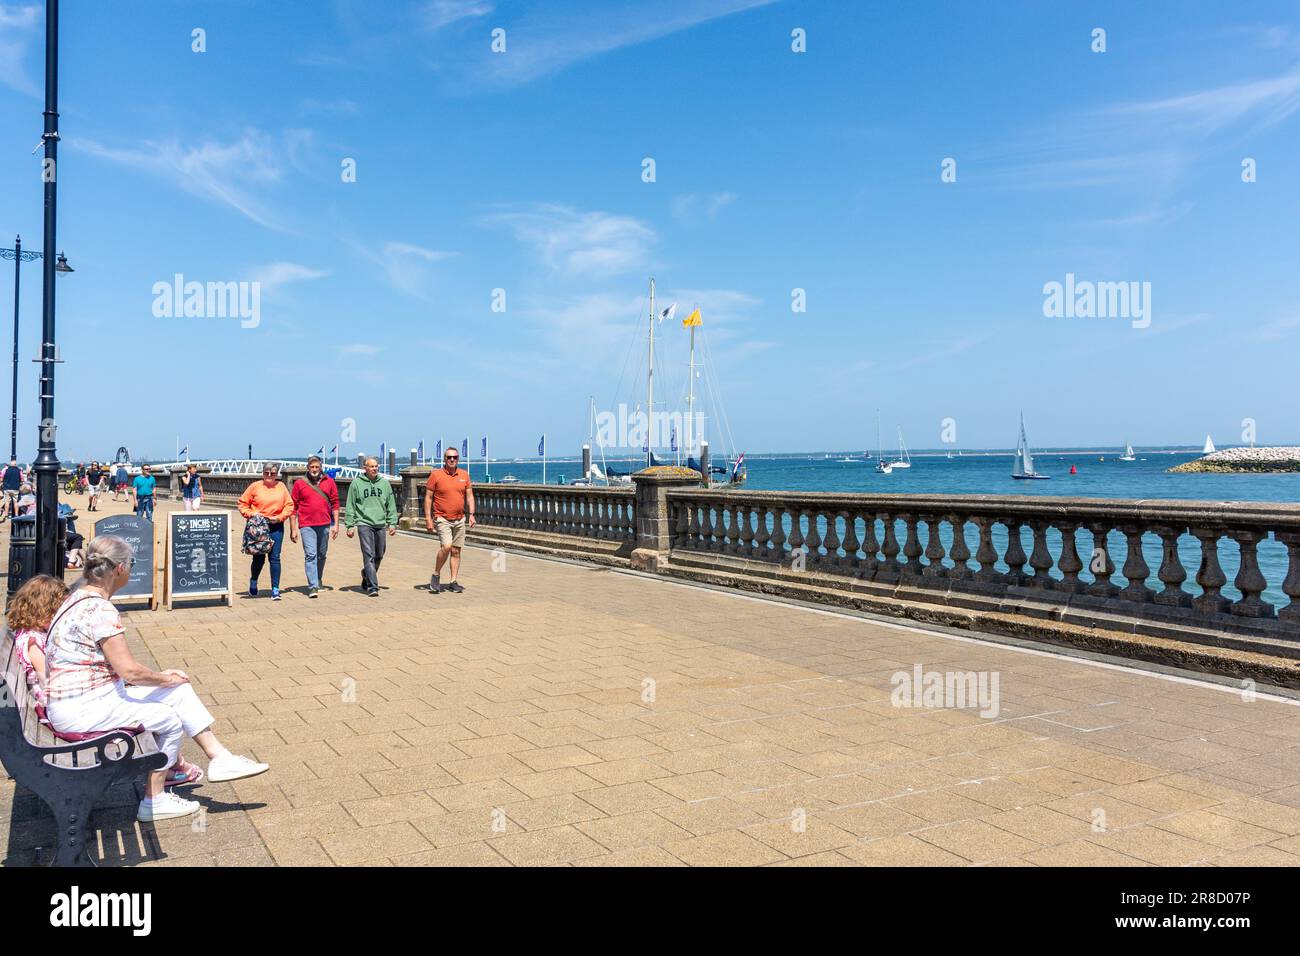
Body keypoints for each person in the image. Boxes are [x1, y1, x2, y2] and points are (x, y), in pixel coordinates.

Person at [44, 536, 269, 821]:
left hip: (80, 698)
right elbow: (130, 672)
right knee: (168, 719)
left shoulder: (77, 595)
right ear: (121, 569)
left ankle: (220, 759)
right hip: (82, 708)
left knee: (179, 691)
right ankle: (154, 800)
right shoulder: (100, 609)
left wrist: (167, 680)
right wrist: (164, 678)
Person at [6, 573, 70, 706]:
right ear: (43, 611)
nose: (61, 616)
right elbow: (47, 680)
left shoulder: (36, 632)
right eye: (57, 611)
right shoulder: (33, 643)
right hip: (57, 702)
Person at [424, 446, 476, 594]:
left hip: (460, 519)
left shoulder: (464, 475)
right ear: (444, 459)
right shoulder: (436, 475)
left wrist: (471, 514)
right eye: (449, 457)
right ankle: (436, 574)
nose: (452, 460)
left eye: (455, 457)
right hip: (442, 518)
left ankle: (453, 581)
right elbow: (428, 498)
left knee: (456, 551)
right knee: (446, 547)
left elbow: (470, 496)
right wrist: (428, 519)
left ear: (458, 459)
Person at [238, 464, 293, 600]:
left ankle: (275, 589)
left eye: (272, 473)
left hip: (276, 525)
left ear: (277, 474)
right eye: (267, 472)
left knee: (275, 557)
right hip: (258, 527)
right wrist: (252, 514)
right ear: (263, 473)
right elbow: (242, 504)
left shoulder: (281, 487)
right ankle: (254, 581)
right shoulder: (255, 486)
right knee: (259, 557)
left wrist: (279, 517)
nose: (269, 475)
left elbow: (289, 505)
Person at [343, 457, 397, 596]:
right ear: (365, 468)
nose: (374, 469)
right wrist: (349, 525)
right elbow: (350, 505)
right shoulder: (356, 484)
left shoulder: (384, 484)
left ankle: (366, 574)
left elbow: (390, 504)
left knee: (379, 554)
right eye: (371, 466)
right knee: (369, 555)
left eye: (376, 466)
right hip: (364, 523)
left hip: (380, 523)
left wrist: (392, 523)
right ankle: (373, 586)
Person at [289, 456, 339, 599]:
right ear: (308, 468)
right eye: (312, 467)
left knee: (321, 554)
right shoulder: (299, 484)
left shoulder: (329, 482)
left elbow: (335, 504)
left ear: (321, 467)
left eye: (317, 467)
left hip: (324, 523)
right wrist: (293, 529)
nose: (315, 470)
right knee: (311, 554)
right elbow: (293, 507)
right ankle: (312, 586)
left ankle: (318, 579)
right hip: (306, 524)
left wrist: (336, 525)